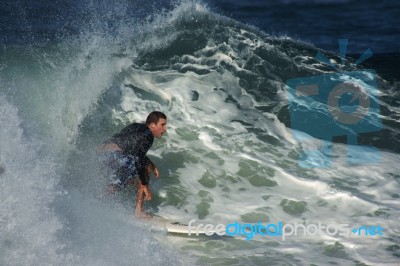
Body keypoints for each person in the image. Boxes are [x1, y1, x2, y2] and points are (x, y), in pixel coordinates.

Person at [97, 111, 167, 218]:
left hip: (102, 153)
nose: (164, 129)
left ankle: (98, 199)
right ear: (152, 125)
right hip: (115, 155)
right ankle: (138, 211)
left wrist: (150, 162)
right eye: (162, 125)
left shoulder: (136, 126)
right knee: (142, 168)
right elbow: (139, 157)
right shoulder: (148, 135)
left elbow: (131, 148)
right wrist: (144, 184)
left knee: (126, 177)